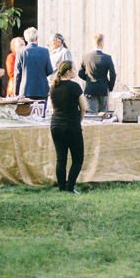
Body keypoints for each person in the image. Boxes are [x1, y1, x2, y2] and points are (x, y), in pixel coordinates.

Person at [49, 60, 88, 194]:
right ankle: (70, 187)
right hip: (71, 125)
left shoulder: (54, 86)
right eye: (75, 69)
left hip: (56, 125)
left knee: (61, 159)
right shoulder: (75, 87)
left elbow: (53, 106)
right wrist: (79, 120)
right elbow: (84, 107)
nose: (76, 72)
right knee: (77, 159)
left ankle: (61, 188)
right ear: (68, 72)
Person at [78, 34, 116, 113]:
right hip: (103, 88)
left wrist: (89, 79)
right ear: (102, 44)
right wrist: (110, 86)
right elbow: (113, 74)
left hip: (90, 88)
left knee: (92, 114)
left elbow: (80, 73)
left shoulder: (86, 57)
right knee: (103, 114)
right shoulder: (107, 58)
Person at [14, 27, 53, 100]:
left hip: (26, 90)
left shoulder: (20, 52)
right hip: (42, 89)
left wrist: (16, 91)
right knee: (41, 110)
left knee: (27, 111)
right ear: (37, 38)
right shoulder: (44, 51)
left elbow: (17, 73)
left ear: (26, 39)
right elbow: (49, 70)